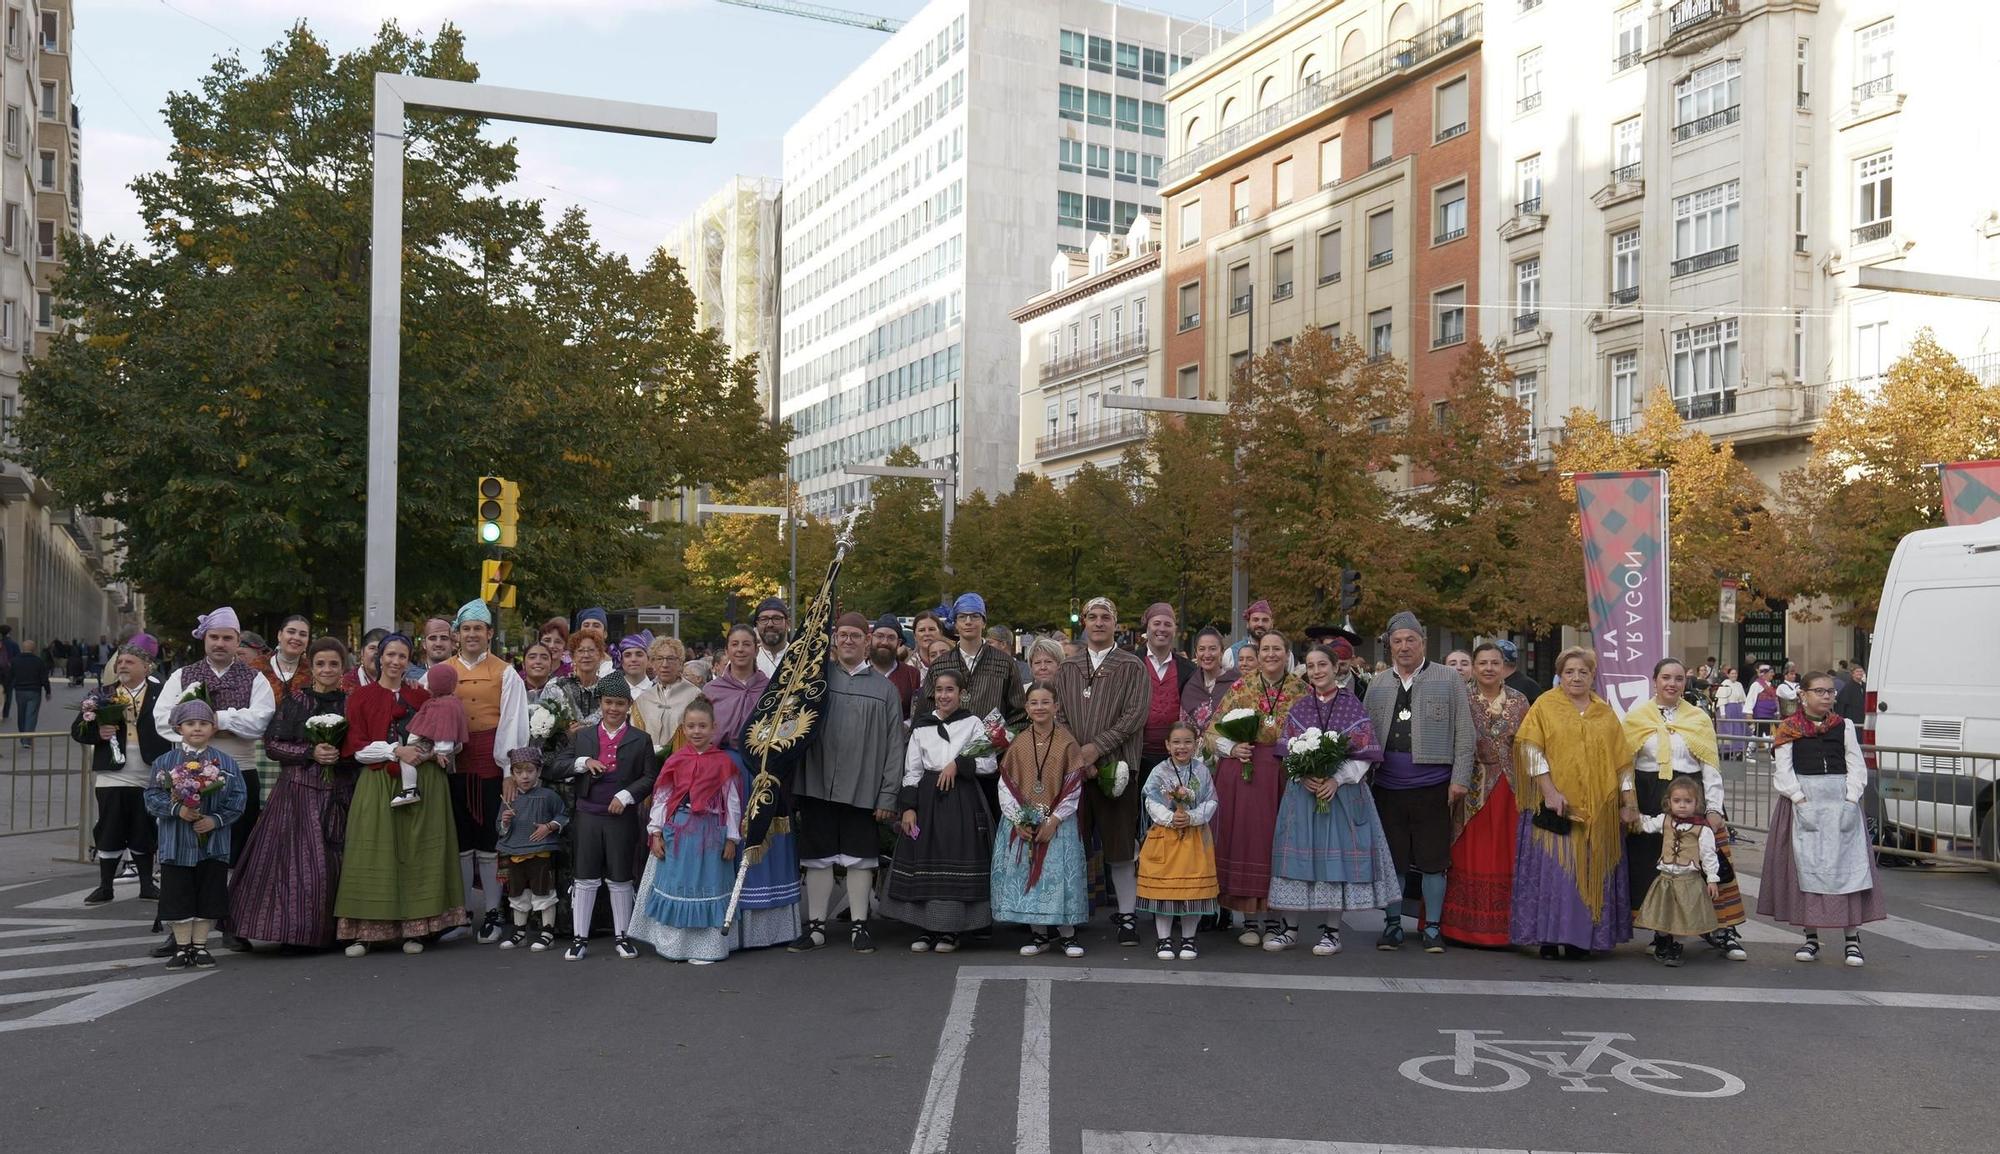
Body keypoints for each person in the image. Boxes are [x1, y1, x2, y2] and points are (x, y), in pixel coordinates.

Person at [333, 634, 465, 956]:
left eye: (402, 656)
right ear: (379, 657)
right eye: (390, 654)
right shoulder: (360, 698)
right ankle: (365, 932)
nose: (395, 661)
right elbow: (356, 748)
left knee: (416, 852)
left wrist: (425, 752)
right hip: (377, 780)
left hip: (423, 778)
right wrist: (395, 750)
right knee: (372, 851)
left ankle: (415, 929)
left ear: (409, 660)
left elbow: (448, 736)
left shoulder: (422, 697)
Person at [152, 609, 278, 945]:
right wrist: (218, 726)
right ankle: (181, 929)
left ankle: (231, 924)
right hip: (187, 774)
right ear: (204, 640)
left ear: (238, 641)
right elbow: (163, 720)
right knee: (185, 853)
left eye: (227, 638)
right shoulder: (182, 675)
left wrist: (211, 719)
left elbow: (260, 722)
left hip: (240, 771)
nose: (220, 643)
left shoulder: (254, 678)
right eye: (214, 637)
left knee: (235, 855)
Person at [789, 613, 907, 954]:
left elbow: (894, 746)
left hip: (864, 787)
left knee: (861, 858)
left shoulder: (884, 690)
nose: (849, 641)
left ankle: (859, 926)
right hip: (817, 783)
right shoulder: (816, 680)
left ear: (866, 641)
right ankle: (816, 927)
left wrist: (888, 794)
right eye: (843, 635)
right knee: (817, 858)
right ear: (834, 639)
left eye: (856, 635)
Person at [228, 638, 358, 949]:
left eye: (333, 664)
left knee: (334, 860)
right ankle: (286, 928)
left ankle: (331, 930)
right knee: (285, 861)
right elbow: (273, 745)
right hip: (296, 792)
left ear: (343, 668)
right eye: (321, 664)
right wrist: (311, 752)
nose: (327, 669)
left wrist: (341, 755)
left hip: (340, 791)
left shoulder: (351, 703)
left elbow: (363, 745)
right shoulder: (295, 701)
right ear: (311, 667)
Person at [1268, 645, 1397, 957]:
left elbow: (1365, 753)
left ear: (1336, 666)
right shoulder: (1300, 707)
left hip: (1340, 794)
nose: (1316, 671)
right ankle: (1290, 929)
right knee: (1298, 858)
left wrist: (1336, 779)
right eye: (1310, 666)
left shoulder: (1351, 705)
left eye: (1322, 664)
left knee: (1333, 861)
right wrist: (1303, 776)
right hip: (1304, 795)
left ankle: (1332, 932)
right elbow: (1287, 752)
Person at [1361, 611, 1475, 954]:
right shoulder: (1378, 684)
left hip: (1434, 786)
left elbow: (1465, 734)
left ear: (1423, 643)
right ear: (1389, 646)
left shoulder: (1448, 679)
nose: (1404, 646)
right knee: (1392, 860)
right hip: (1387, 787)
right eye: (1397, 641)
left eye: (1411, 640)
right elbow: (1363, 734)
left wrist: (1459, 780)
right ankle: (1393, 926)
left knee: (1433, 860)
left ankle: (1433, 929)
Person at [1621, 658, 1747, 962]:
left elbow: (1710, 765)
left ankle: (1723, 928)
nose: (1672, 684)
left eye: (1678, 678)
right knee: (1656, 866)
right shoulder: (1636, 717)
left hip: (1691, 795)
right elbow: (1625, 765)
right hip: (1651, 796)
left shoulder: (1698, 718)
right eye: (1665, 677)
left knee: (1708, 862)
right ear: (1654, 680)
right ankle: (1660, 931)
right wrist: (1629, 803)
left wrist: (1715, 808)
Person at [1510, 647, 1633, 960]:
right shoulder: (1545, 706)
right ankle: (1550, 938)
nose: (1576, 677)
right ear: (1559, 675)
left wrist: (1628, 801)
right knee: (1556, 874)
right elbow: (1530, 751)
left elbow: (1622, 762)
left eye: (1583, 672)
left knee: (1590, 873)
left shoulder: (1605, 713)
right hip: (1557, 808)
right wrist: (1549, 792)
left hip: (1598, 814)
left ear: (1593, 676)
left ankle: (1581, 940)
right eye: (1570, 672)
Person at [1758, 671, 1883, 967]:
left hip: (1840, 800)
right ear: (1803, 694)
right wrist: (1799, 799)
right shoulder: (1788, 728)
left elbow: (1855, 763)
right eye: (1819, 691)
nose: (1827, 696)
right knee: (1805, 869)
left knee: (1846, 868)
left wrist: (1852, 799)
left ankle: (1852, 939)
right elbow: (1783, 769)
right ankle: (1810, 937)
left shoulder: (1844, 726)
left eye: (1830, 692)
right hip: (1803, 801)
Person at [430, 600, 531, 944]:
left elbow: (514, 722)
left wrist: (508, 769)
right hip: (454, 762)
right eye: (466, 629)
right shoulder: (443, 672)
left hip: (490, 762)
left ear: (490, 634)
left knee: (489, 840)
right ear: (457, 635)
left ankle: (491, 911)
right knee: (460, 840)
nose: (472, 635)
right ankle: (462, 914)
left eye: (479, 629)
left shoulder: (506, 673)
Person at [1054, 596, 1151, 947]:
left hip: (1117, 769)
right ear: (1083, 621)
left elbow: (1134, 716)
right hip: (1075, 770)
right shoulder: (1068, 667)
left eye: (1105, 617)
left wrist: (1095, 749)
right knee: (1072, 845)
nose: (1098, 623)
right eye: (1092, 617)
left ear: (1115, 623)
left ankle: (1127, 917)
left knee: (1120, 848)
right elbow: (1059, 715)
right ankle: (1071, 914)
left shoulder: (1132, 665)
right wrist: (1079, 755)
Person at [884, 668, 997, 952]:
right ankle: (927, 927)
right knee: (925, 858)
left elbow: (989, 763)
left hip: (962, 798)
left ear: (962, 694)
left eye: (950, 690)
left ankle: (952, 930)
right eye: (940, 690)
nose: (944, 695)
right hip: (928, 799)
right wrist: (908, 808)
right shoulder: (921, 726)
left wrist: (959, 764)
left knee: (957, 856)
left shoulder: (972, 723)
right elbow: (912, 770)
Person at [701, 624, 798, 951]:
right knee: (729, 841)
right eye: (734, 644)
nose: (740, 649)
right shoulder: (712, 690)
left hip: (763, 773)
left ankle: (767, 926)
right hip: (725, 772)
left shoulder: (772, 689)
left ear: (756, 649)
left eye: (746, 644)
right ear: (726, 650)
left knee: (762, 842)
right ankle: (726, 920)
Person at [1206, 630, 1306, 946]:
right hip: (1246, 775)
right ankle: (1249, 918)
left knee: (1277, 843)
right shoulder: (1241, 686)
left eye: (1277, 648)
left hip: (1284, 775)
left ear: (1287, 654)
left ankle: (1277, 919)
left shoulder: (1301, 691)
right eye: (1265, 649)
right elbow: (1211, 731)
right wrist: (1233, 748)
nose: (1271, 654)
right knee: (1247, 841)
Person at [551, 675, 657, 961]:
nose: (613, 708)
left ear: (628, 705)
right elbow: (555, 766)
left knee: (620, 876)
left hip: (620, 817)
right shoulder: (583, 736)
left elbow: (649, 777)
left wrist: (626, 796)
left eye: (620, 703)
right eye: (608, 702)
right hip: (588, 815)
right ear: (601, 703)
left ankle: (622, 935)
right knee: (584, 876)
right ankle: (579, 937)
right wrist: (583, 762)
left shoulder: (640, 739)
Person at [630, 698, 741, 964]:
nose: (696, 731)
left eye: (702, 726)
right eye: (691, 726)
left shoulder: (724, 763)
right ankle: (675, 947)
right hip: (679, 834)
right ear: (683, 728)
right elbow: (662, 797)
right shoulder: (676, 760)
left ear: (714, 728)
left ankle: (708, 948)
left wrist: (732, 838)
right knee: (678, 884)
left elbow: (732, 802)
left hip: (711, 835)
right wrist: (655, 832)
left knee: (707, 884)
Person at [143, 700, 248, 970]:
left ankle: (200, 946)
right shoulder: (164, 762)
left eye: (203, 724)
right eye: (191, 724)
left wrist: (215, 820)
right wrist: (177, 809)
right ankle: (181, 947)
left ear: (213, 728)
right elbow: (151, 796)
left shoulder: (225, 763)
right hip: (176, 845)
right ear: (179, 728)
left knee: (208, 896)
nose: (197, 729)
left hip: (212, 845)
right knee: (178, 897)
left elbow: (238, 799)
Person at [1442, 642, 1530, 948]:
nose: (1489, 668)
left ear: (1504, 665)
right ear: (1474, 667)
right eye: (1483, 663)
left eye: (1495, 662)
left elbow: (1528, 744)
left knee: (1507, 852)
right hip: (1471, 784)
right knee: (1468, 850)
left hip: (1510, 787)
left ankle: (1505, 928)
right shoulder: (1460, 697)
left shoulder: (1520, 701)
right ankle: (1460, 926)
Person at [993, 682, 1089, 957]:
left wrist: (1054, 820)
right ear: (1026, 708)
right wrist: (1018, 820)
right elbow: (1006, 785)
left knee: (1059, 878)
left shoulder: (1067, 742)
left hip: (1058, 822)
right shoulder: (1019, 742)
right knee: (1030, 874)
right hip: (1025, 820)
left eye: (1046, 702)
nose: (1040, 708)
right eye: (1034, 703)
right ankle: (1038, 936)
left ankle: (1068, 935)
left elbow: (1073, 787)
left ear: (1056, 706)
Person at [75, 641, 170, 904]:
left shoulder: (162, 693)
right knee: (110, 826)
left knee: (144, 827)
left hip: (150, 771)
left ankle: (146, 885)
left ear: (146, 666)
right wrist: (98, 732)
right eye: (120, 662)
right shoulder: (102, 694)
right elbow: (78, 730)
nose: (122, 666)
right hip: (112, 772)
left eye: (129, 662)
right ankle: (105, 886)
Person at [1136, 721, 1218, 961]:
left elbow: (1211, 801)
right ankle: (1164, 939)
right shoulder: (1160, 771)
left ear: (1196, 744)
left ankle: (1189, 939)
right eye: (1176, 742)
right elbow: (1150, 800)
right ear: (1167, 745)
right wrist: (1171, 818)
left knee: (1191, 892)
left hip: (1194, 838)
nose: (1182, 747)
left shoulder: (1202, 771)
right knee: (1166, 892)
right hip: (1165, 837)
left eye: (1187, 742)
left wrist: (1191, 817)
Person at [1627, 775, 1722, 967]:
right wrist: (1632, 815)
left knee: (1682, 914)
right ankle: (1663, 941)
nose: (1682, 805)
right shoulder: (1665, 821)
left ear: (1697, 803)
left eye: (1688, 801)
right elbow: (1647, 824)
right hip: (1666, 878)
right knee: (1663, 911)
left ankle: (1675, 942)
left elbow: (1708, 854)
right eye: (1677, 801)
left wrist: (1712, 878)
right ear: (1669, 802)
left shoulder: (1702, 829)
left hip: (1688, 880)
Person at [918, 593, 1027, 734]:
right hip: (947, 750)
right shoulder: (940, 665)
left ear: (984, 622)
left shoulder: (1004, 663)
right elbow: (925, 714)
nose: (968, 621)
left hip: (993, 751)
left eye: (975, 616)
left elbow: (1018, 716)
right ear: (956, 623)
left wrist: (995, 744)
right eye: (962, 617)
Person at [493, 748, 567, 951]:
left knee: (543, 892)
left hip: (540, 852)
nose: (525, 776)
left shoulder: (548, 796)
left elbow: (563, 816)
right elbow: (499, 827)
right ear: (513, 774)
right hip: (515, 852)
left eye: (530, 771)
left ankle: (547, 934)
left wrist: (549, 826)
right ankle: (519, 933)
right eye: (519, 772)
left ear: (538, 771)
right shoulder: (509, 798)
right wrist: (505, 822)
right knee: (517, 894)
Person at [1135, 603, 1196, 773]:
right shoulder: (1131, 663)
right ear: (1147, 628)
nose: (1162, 629)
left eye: (1167, 624)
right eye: (1156, 623)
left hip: (1177, 756)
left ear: (1174, 630)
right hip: (1138, 756)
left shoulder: (1188, 669)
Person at [400, 661, 468, 807]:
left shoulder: (444, 705)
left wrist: (441, 751)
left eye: (430, 683)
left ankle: (409, 790)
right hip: (437, 746)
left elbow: (445, 730)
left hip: (430, 745)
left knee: (405, 760)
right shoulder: (447, 702)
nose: (426, 686)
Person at [634, 635, 701, 751]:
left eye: (670, 659)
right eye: (659, 659)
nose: (665, 664)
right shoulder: (643, 700)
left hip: (683, 762)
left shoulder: (695, 696)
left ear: (680, 663)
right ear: (652, 663)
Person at [544, 633, 609, 732]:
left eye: (591, 650)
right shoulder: (556, 687)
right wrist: (566, 734)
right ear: (572, 656)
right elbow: (544, 727)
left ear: (600, 655)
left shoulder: (609, 689)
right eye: (580, 650)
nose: (586, 655)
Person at [1179, 628, 1233, 735]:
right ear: (1196, 653)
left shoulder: (1235, 684)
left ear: (1222, 652)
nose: (1207, 654)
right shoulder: (1190, 685)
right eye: (1202, 649)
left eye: (1212, 649)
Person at [871, 615, 921, 720]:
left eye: (891, 638)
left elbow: (915, 714)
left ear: (898, 643)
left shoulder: (912, 674)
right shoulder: (858, 672)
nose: (884, 642)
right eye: (879, 636)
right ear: (870, 638)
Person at [11, 639, 51, 745]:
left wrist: (9, 688)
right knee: (31, 715)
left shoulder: (15, 660)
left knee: (21, 714)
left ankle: (22, 735)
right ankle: (26, 740)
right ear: (34, 649)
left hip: (19, 691)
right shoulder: (38, 661)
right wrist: (48, 691)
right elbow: (44, 678)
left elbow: (11, 676)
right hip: (34, 691)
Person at [1714, 667, 1749, 759]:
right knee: (1728, 730)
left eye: (1735, 673)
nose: (1734, 675)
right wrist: (1722, 712)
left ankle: (1738, 750)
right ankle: (1726, 751)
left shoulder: (1739, 684)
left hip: (1738, 709)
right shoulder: (1725, 684)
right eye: (1732, 673)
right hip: (1728, 709)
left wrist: (1744, 711)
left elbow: (1742, 700)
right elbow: (1722, 699)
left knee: (1738, 730)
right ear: (1728, 675)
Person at [753, 597, 791, 678]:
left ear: (787, 623)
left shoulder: (800, 658)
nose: (770, 624)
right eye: (764, 619)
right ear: (757, 625)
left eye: (776, 619)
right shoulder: (746, 659)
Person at [1496, 640, 1541, 705]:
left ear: (1500, 662)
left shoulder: (1505, 688)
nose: (1488, 667)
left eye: (1493, 662)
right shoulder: (1532, 686)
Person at [910, 610, 946, 685]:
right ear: (915, 636)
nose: (927, 634)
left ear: (940, 633)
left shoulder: (955, 661)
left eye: (931, 629)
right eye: (922, 630)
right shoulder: (908, 668)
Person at [1746, 664, 1778, 743]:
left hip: (1769, 714)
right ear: (1765, 673)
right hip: (1761, 715)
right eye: (1771, 672)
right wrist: (1748, 713)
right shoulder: (1756, 685)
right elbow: (1750, 699)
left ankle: (1748, 754)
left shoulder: (1771, 685)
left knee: (1758, 734)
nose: (1773, 674)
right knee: (1767, 734)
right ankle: (1771, 753)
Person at [1833, 664, 1867, 730]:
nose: (1859, 673)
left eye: (1861, 671)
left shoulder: (1865, 686)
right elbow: (1841, 703)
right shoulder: (1848, 687)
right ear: (1852, 674)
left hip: (1863, 717)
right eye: (1857, 671)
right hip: (1853, 717)